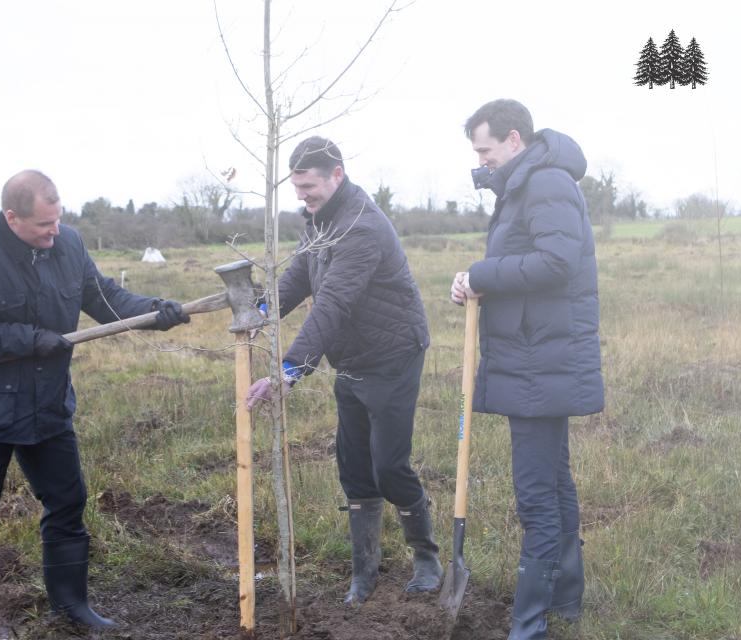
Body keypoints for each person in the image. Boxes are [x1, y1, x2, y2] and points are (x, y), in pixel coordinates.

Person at [0, 170, 189, 639]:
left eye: (57, 220)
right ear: (12, 216)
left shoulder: (68, 244)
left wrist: (156, 313)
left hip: (47, 405)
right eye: (42, 225)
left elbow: (104, 298)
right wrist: (30, 339)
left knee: (68, 502)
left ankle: (72, 604)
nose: (54, 232)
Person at [246, 136, 441, 606]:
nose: (302, 195)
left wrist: (290, 369)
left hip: (393, 355)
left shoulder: (362, 227)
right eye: (296, 187)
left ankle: (427, 558)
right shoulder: (319, 222)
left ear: (336, 175)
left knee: (389, 464)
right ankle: (364, 572)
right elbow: (301, 278)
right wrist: (261, 309)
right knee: (354, 468)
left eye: (309, 186)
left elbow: (332, 301)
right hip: (351, 360)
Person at [450, 99, 603, 640]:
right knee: (554, 484)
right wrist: (475, 282)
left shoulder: (545, 184)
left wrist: (484, 273)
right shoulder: (525, 183)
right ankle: (565, 602)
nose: (481, 161)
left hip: (543, 362)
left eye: (485, 150)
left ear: (514, 139)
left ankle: (528, 625)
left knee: (537, 494)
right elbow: (525, 264)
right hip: (536, 358)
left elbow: (556, 263)